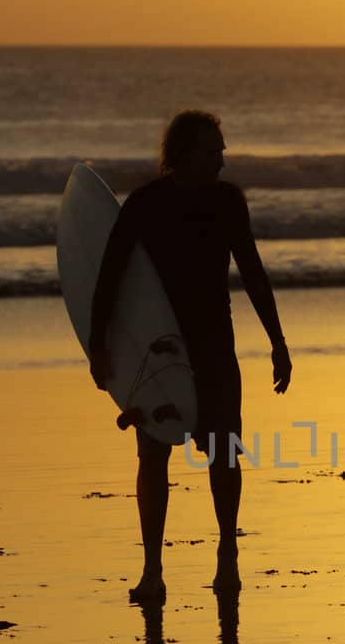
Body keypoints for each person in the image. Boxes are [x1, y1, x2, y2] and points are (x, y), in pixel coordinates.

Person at [89, 110, 292, 604]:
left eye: (221, 150)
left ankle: (227, 554)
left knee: (224, 453)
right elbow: (109, 276)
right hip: (159, 349)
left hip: (215, 347)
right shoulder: (145, 204)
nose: (221, 161)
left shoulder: (226, 202)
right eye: (212, 151)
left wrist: (278, 341)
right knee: (153, 454)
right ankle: (152, 568)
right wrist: (98, 347)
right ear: (182, 154)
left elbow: (253, 271)